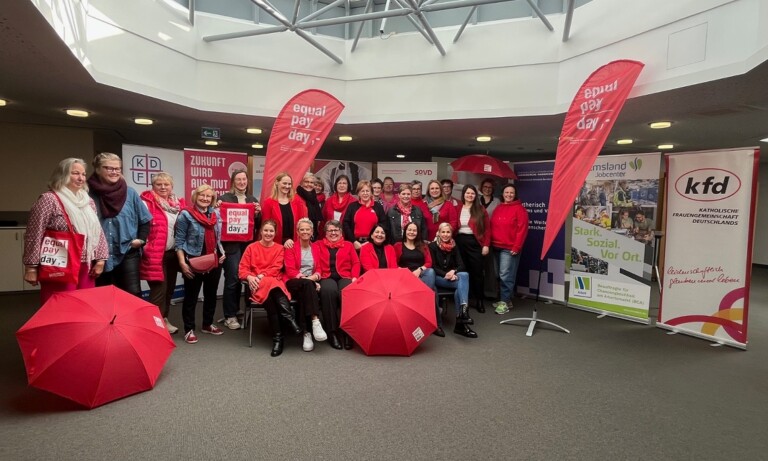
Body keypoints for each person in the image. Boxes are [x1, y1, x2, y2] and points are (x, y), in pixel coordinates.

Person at [24, 158, 108, 303]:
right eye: (75, 173)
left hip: (86, 264)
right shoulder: (49, 199)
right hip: (60, 263)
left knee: (85, 304)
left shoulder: (88, 202)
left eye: (83, 174)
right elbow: (34, 233)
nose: (81, 178)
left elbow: (97, 231)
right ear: (62, 175)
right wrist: (31, 268)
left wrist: (100, 260)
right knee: (60, 304)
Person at [87, 152, 152, 297]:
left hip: (127, 252)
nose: (114, 172)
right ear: (98, 169)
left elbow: (145, 220)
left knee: (132, 295)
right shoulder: (86, 193)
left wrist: (141, 240)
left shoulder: (130, 193)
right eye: (109, 168)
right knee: (101, 297)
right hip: (97, 256)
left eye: (117, 168)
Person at [240, 220, 302, 356]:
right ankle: (289, 318)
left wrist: (262, 276)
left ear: (275, 233)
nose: (268, 233)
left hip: (273, 284)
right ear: (261, 232)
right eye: (266, 230)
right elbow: (242, 269)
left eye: (271, 231)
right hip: (256, 284)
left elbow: (276, 268)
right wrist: (250, 277)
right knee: (269, 286)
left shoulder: (280, 248)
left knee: (271, 292)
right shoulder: (251, 247)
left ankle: (278, 339)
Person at [175, 184, 226, 344]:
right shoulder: (185, 215)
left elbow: (218, 237)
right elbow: (179, 242)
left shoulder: (215, 214)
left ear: (212, 199)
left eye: (208, 196)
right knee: (191, 297)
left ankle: (207, 324)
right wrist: (183, 263)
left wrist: (221, 252)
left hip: (213, 259)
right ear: (195, 197)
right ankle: (189, 329)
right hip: (193, 260)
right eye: (202, 195)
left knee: (211, 295)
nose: (205, 199)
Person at [140, 172, 185, 334]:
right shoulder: (146, 203)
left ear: (172, 186)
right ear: (153, 186)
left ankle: (164, 319)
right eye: (159, 184)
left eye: (166, 184)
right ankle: (154, 326)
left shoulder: (178, 205)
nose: (163, 187)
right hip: (155, 255)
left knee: (169, 290)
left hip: (172, 254)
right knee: (159, 291)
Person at [218, 169, 262, 330]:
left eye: (244, 179)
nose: (242, 182)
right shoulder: (224, 199)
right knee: (233, 278)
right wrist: (218, 207)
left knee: (247, 277)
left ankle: (238, 309)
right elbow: (218, 221)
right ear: (233, 182)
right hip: (230, 246)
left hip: (248, 246)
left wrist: (258, 214)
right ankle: (230, 315)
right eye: (238, 179)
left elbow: (257, 226)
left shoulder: (252, 199)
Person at [284, 218, 329, 352]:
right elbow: (290, 270)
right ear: (297, 232)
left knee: (306, 292)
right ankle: (315, 320)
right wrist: (310, 281)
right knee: (307, 286)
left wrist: (312, 279)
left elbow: (319, 269)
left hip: (309, 284)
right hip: (293, 282)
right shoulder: (291, 247)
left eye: (307, 229)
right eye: (302, 229)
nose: (305, 231)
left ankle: (306, 333)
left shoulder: (316, 247)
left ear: (312, 231)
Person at [315, 220, 360, 350]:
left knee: (347, 292)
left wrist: (354, 278)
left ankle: (348, 332)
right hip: (325, 276)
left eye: (336, 230)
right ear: (325, 233)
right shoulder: (318, 245)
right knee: (328, 291)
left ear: (341, 232)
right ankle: (332, 332)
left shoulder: (348, 245)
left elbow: (356, 263)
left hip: (345, 276)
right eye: (330, 230)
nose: (333, 233)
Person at [428, 222, 476, 338]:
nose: (445, 234)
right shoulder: (432, 246)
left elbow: (461, 265)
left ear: (451, 233)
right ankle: (462, 320)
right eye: (443, 232)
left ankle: (463, 313)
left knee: (463, 275)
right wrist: (446, 274)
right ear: (438, 233)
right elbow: (433, 266)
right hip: (439, 278)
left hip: (452, 278)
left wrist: (453, 271)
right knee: (462, 280)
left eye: (448, 232)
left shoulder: (454, 246)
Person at [394, 222, 442, 337]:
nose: (411, 232)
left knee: (430, 272)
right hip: (404, 279)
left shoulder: (423, 246)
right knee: (433, 293)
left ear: (417, 232)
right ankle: (436, 324)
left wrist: (420, 269)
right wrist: (405, 271)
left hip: (421, 278)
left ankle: (425, 300)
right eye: (409, 230)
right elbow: (393, 264)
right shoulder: (398, 245)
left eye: (414, 230)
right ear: (405, 231)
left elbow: (429, 262)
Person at [490, 184, 529, 314]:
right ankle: (506, 299)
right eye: (506, 192)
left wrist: (516, 246)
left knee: (506, 276)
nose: (509, 195)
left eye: (511, 192)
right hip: (496, 246)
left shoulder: (520, 209)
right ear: (503, 194)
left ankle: (504, 302)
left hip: (509, 248)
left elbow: (522, 230)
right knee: (498, 275)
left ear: (515, 194)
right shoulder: (499, 207)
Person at [455, 184, 490, 313]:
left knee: (477, 273)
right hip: (460, 242)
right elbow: (453, 225)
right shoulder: (458, 208)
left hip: (475, 243)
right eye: (468, 193)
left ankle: (480, 301)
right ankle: (465, 300)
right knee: (463, 272)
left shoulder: (480, 209)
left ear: (476, 195)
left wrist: (486, 245)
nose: (470, 195)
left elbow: (487, 229)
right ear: (463, 194)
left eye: (472, 193)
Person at [261, 172, 308, 249]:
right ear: (277, 183)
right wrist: (284, 241)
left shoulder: (298, 201)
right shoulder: (268, 202)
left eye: (289, 184)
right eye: (284, 183)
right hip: (275, 246)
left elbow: (303, 223)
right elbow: (266, 226)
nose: (287, 186)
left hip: (294, 245)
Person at [342, 180, 386, 250]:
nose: (365, 193)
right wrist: (354, 241)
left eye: (367, 191)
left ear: (371, 193)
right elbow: (345, 224)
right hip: (355, 244)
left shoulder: (378, 207)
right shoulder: (352, 206)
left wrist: (371, 241)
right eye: (362, 191)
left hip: (373, 244)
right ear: (358, 193)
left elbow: (384, 224)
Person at [296, 172, 323, 240]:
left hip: (312, 233)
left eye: (311, 182)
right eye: (306, 182)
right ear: (301, 183)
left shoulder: (314, 198)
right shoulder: (295, 197)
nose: (309, 184)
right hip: (299, 234)